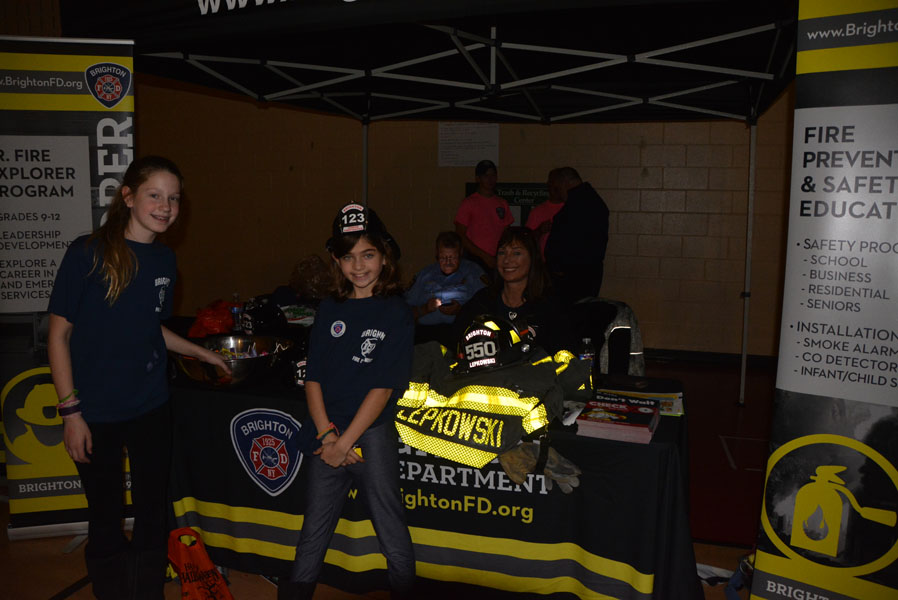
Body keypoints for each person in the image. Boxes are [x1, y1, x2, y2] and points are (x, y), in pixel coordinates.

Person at [47, 156, 230, 600]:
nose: (166, 207)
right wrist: (71, 413)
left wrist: (202, 351)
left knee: (153, 513)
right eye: (155, 195)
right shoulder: (86, 253)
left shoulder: (165, 259)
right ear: (128, 197)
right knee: (105, 515)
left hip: (151, 406)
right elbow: (58, 336)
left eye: (174, 198)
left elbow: (150, 328)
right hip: (95, 412)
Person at [281, 203, 415, 600]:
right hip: (327, 434)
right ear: (337, 261)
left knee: (390, 528)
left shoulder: (397, 312)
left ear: (384, 256)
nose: (358, 266)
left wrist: (344, 443)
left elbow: (382, 388)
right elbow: (313, 378)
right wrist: (327, 436)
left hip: (368, 435)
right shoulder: (329, 309)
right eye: (348, 257)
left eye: (368, 255)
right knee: (313, 531)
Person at [454, 226, 577, 356]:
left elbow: (566, 354)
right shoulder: (483, 301)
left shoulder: (549, 305)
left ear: (532, 258)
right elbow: (456, 344)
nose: (507, 260)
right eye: (502, 253)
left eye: (516, 253)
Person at [404, 231, 486, 346]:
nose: (448, 262)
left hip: (461, 334)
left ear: (461, 253)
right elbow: (404, 312)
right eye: (443, 257)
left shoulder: (473, 272)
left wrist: (461, 311)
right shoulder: (425, 274)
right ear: (437, 254)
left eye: (452, 257)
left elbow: (487, 307)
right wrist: (425, 309)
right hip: (426, 335)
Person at [544, 167, 610, 305]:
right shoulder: (591, 200)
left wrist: (558, 268)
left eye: (557, 188)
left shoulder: (576, 205)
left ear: (565, 183)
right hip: (586, 274)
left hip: (572, 278)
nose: (558, 193)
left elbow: (569, 243)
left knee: (570, 312)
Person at [454, 159, 513, 271]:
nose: (490, 179)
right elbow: (460, 235)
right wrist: (484, 256)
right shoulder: (469, 203)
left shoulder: (502, 203)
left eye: (493, 175)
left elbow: (507, 234)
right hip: (474, 259)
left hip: (497, 258)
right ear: (478, 179)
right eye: (486, 176)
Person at [525, 168, 566, 259]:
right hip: (544, 263)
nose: (556, 187)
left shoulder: (572, 209)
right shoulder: (538, 211)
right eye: (553, 183)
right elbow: (526, 239)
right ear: (548, 185)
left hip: (567, 263)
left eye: (558, 182)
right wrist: (540, 230)